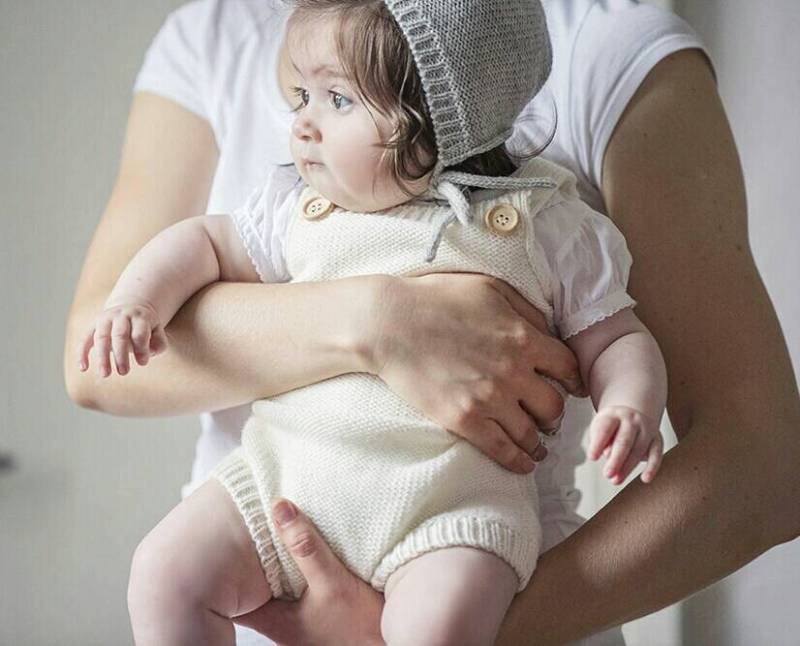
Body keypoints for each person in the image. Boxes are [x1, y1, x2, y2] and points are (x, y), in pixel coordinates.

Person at [63, 0, 800, 644]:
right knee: (161, 574)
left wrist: (629, 401)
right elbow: (149, 301)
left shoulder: (543, 217)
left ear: (431, 130)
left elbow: (622, 337)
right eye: (299, 100)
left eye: (337, 101)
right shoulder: (289, 193)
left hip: (450, 521)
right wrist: (376, 321)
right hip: (279, 483)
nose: (304, 128)